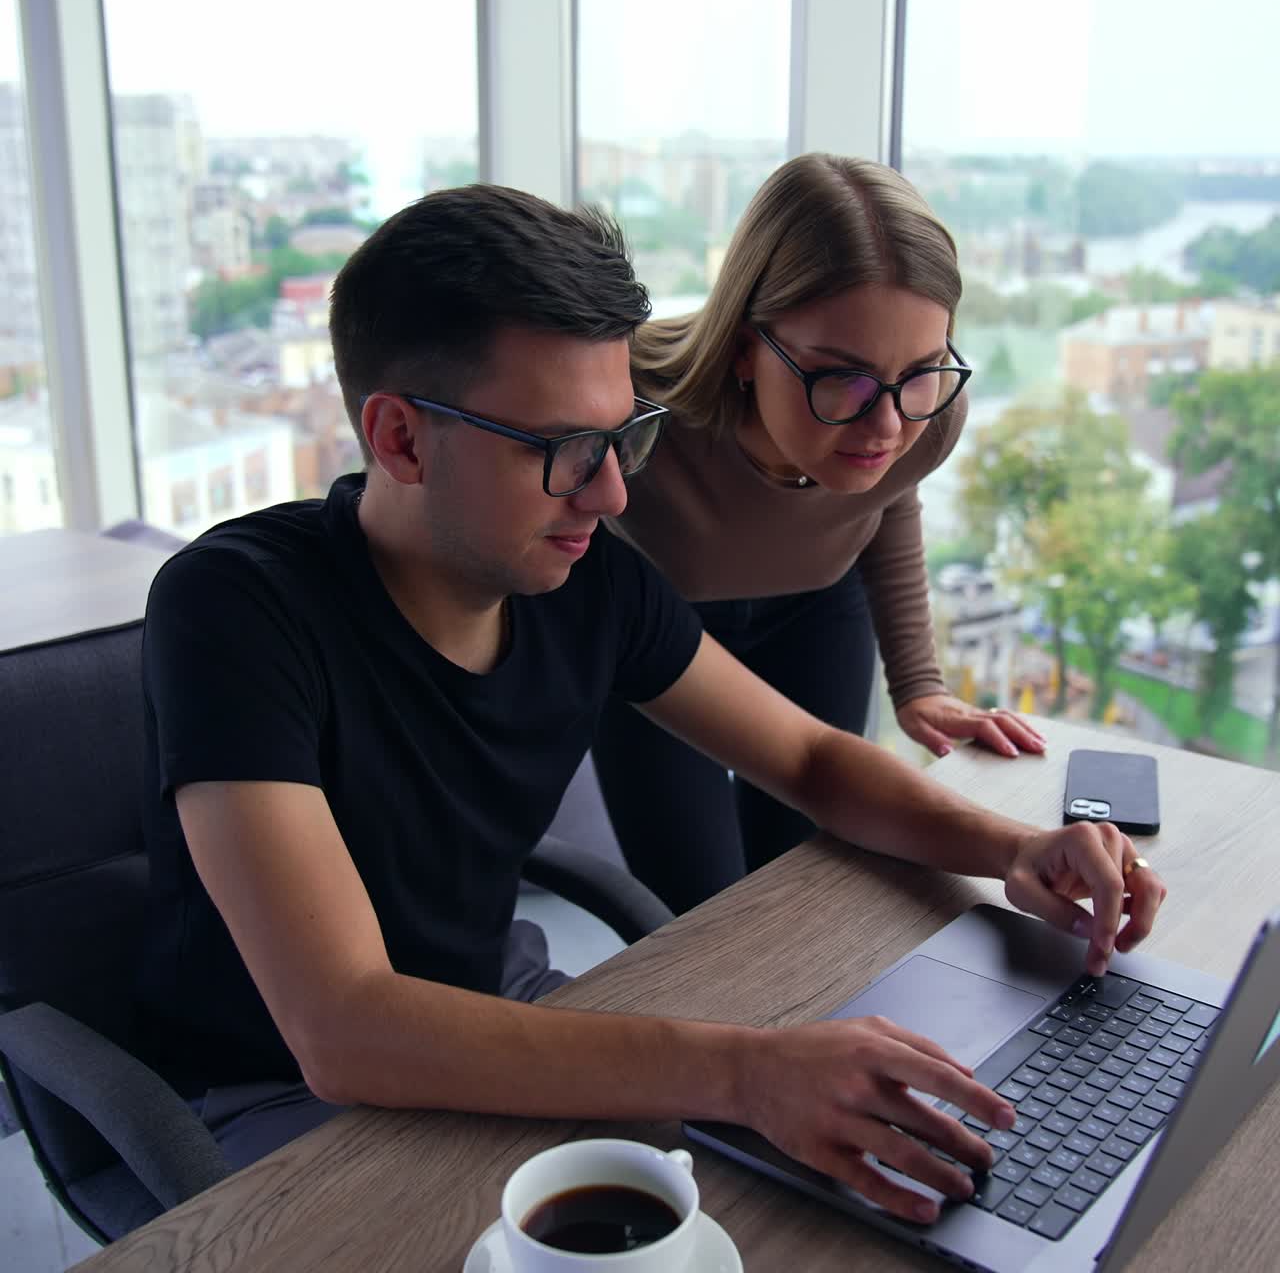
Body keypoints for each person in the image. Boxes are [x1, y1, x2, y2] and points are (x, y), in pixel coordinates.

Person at [135, 183, 1165, 1225]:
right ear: (399, 438)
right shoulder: (235, 607)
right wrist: (740, 1071)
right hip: (279, 1098)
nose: (611, 493)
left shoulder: (587, 582)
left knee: (818, 1204)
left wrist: (1011, 847)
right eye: (561, 451)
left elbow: (806, 760)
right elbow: (345, 1027)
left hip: (498, 1016)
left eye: (620, 436)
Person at [594, 153, 1043, 915]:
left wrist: (919, 685)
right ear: (743, 345)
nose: (888, 422)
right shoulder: (622, 401)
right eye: (844, 376)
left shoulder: (928, 412)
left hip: (816, 610)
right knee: (698, 909)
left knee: (810, 881)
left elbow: (884, 500)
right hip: (656, 635)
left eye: (923, 368)